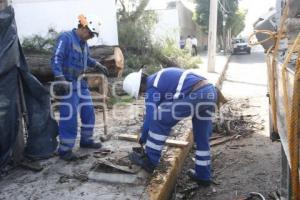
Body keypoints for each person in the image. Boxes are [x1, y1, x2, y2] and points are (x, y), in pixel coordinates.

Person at [123, 67, 217, 186]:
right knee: (201, 137)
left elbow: (151, 117)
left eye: (141, 93)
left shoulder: (152, 87)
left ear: (140, 86)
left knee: (160, 119)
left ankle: (150, 161)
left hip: (198, 95)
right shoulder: (159, 78)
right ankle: (204, 177)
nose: (143, 94)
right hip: (210, 92)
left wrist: (143, 138)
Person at [51, 14, 109, 161]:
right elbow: (56, 58)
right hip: (68, 85)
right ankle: (65, 150)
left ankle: (86, 140)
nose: (91, 37)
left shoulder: (84, 43)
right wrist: (60, 78)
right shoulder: (66, 38)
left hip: (81, 84)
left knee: (89, 111)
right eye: (90, 34)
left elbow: (86, 58)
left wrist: (97, 64)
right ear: (84, 27)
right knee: (69, 117)